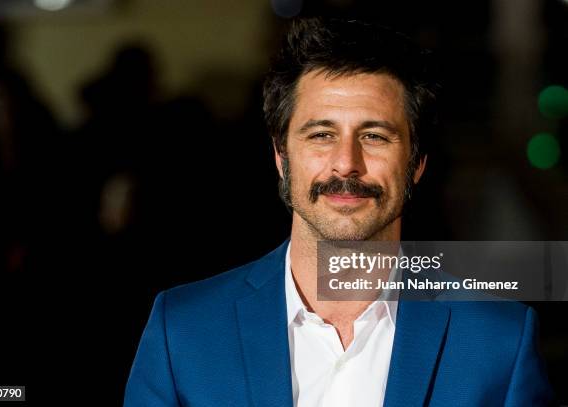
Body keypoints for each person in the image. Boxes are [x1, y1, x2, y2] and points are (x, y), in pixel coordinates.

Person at [124, 18, 553, 406]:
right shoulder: (182, 331)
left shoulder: (501, 341)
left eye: (375, 136)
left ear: (417, 162)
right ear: (280, 156)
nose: (346, 162)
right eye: (322, 134)